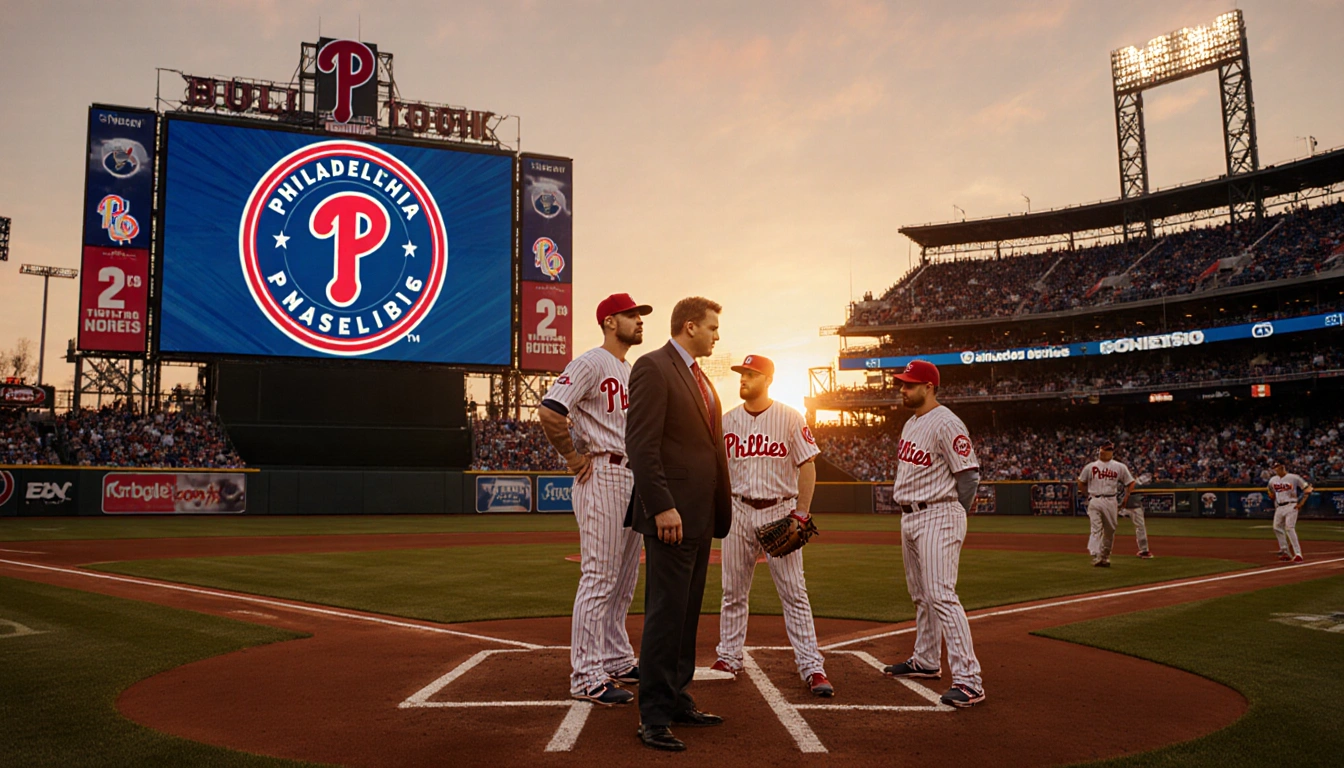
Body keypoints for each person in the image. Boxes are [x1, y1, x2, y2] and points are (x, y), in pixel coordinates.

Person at [625, 296, 733, 752]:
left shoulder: (701, 377)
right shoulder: (653, 367)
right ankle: (652, 715)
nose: (717, 335)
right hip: (672, 515)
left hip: (701, 514)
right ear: (689, 327)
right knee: (666, 616)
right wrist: (662, 505)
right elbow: (641, 444)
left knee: (687, 614)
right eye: (712, 328)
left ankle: (676, 699)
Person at [539, 293, 654, 706]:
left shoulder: (629, 369)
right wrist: (571, 457)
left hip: (632, 475)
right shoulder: (590, 362)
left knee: (624, 581)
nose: (639, 321)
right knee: (600, 577)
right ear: (609, 321)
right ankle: (586, 676)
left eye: (640, 315)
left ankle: (615, 657)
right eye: (631, 315)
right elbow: (551, 410)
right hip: (602, 472)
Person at [711, 355, 832, 697]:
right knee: (733, 592)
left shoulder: (790, 417)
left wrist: (801, 513)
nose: (744, 379)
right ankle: (729, 656)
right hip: (737, 510)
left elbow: (807, 467)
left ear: (767, 379)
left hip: (780, 510)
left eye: (751, 374)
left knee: (794, 593)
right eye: (742, 374)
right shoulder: (727, 421)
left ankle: (812, 666)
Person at [878, 360, 986, 709]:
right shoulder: (911, 423)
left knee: (941, 593)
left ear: (929, 387)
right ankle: (925, 660)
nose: (903, 389)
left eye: (910, 384)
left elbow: (968, 476)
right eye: (902, 383)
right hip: (910, 515)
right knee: (922, 595)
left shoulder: (947, 422)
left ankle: (970, 680)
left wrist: (954, 513)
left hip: (939, 511)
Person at [1077, 441, 1136, 567]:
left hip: (1111, 500)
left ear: (1111, 452)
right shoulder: (1090, 466)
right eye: (1104, 449)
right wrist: (1087, 494)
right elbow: (1081, 482)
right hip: (1095, 499)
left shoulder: (1119, 466)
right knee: (1096, 528)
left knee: (1110, 529)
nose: (1105, 452)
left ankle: (1105, 556)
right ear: (1100, 451)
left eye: (1108, 449)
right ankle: (1096, 553)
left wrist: (1127, 496)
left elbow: (1130, 482)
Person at [1269, 461, 1312, 562]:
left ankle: (1298, 554)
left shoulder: (1294, 477)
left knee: (1289, 527)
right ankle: (1285, 552)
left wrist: (1301, 503)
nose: (1276, 469)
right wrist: (1271, 495)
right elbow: (1270, 491)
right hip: (1279, 507)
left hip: (1291, 505)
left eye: (1277, 466)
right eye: (1274, 467)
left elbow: (1308, 489)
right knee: (1276, 527)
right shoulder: (1272, 480)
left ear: (1283, 467)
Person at [1120, 480, 1153, 558]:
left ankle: (1144, 551)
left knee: (1140, 527)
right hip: (1118, 505)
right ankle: (1099, 550)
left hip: (1133, 506)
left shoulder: (1134, 483)